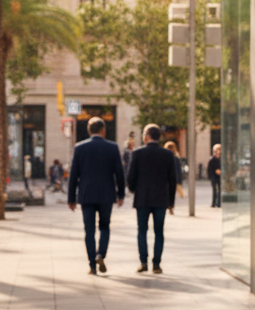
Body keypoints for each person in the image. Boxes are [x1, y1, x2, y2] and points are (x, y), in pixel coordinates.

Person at [67, 117, 125, 275]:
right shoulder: (112, 148)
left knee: (89, 230)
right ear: (103, 130)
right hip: (106, 194)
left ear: (89, 130)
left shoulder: (80, 148)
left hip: (87, 195)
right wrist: (121, 194)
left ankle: (92, 265)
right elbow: (119, 173)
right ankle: (101, 254)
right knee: (105, 226)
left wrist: (71, 198)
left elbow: (74, 175)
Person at [127, 124, 177, 273]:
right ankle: (156, 264)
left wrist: (133, 189)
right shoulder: (168, 155)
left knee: (141, 230)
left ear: (147, 136)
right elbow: (172, 180)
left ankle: (143, 262)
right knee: (159, 232)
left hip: (142, 198)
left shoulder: (137, 153)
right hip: (161, 199)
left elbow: (130, 177)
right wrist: (171, 202)